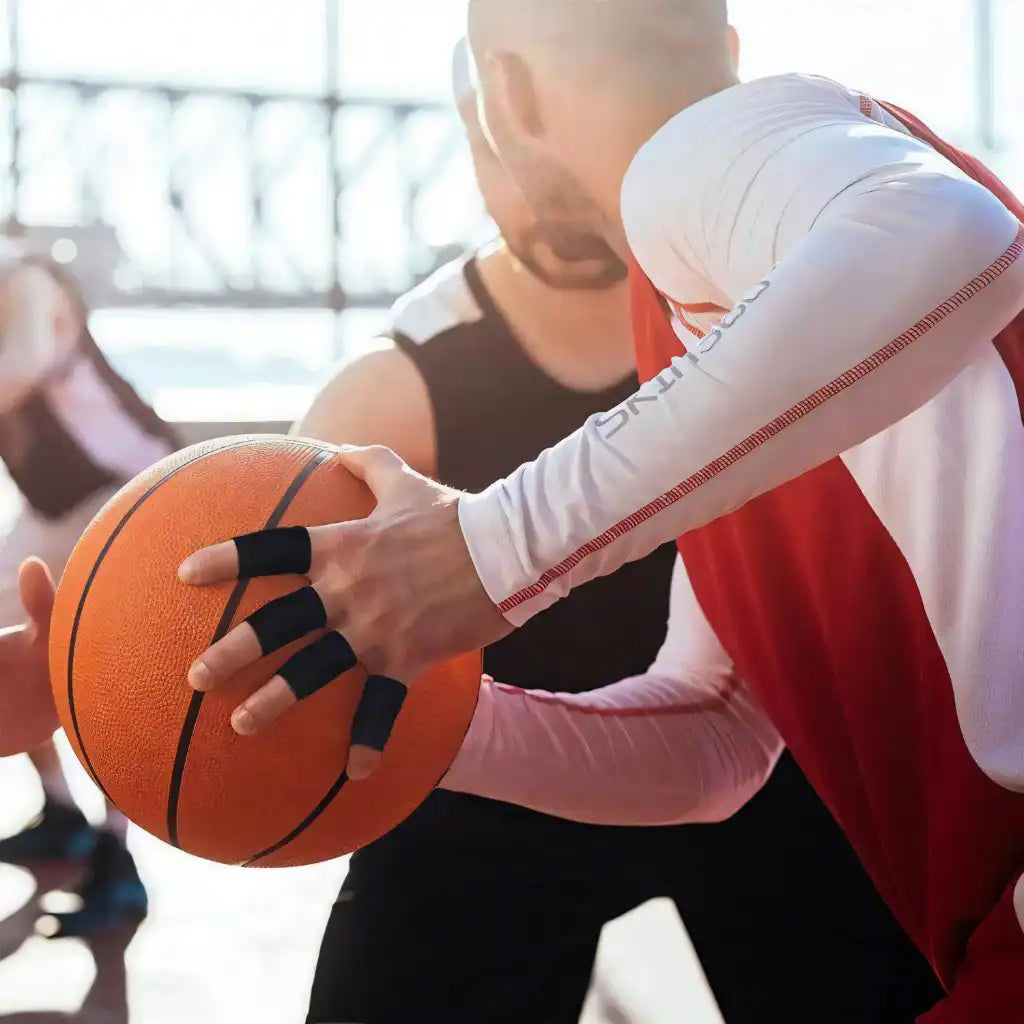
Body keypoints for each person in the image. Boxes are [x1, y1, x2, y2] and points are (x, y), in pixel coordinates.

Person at [166, 2, 1024, 1018]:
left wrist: (485, 548)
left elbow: (952, 234)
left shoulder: (702, 158)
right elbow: (714, 737)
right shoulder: (729, 319)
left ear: (507, 94)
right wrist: (415, 718)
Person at [0, 242, 177, 936]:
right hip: (56, 509)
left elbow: (20, 367)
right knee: (7, 648)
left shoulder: (30, 282)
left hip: (129, 493)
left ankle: (117, 857)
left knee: (96, 673)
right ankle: (61, 813)